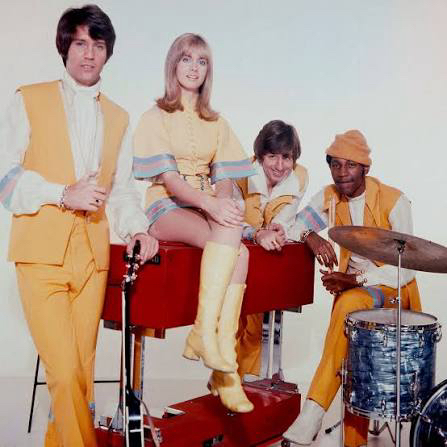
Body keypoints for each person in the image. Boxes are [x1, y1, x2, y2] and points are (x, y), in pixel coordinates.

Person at [0, 5, 158, 446]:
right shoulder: (28, 99)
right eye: (81, 43)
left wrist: (137, 229)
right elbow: (5, 181)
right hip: (40, 255)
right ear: (65, 48)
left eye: (98, 45)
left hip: (92, 260)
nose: (89, 54)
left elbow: (121, 191)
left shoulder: (119, 117)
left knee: (82, 377)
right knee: (66, 372)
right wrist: (62, 193)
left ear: (108, 53)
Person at [133, 33, 256, 413]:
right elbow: (170, 181)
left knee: (241, 252)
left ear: (208, 70)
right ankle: (217, 356)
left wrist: (223, 203)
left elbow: (225, 177)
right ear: (173, 64)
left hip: (205, 205)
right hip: (165, 207)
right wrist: (211, 205)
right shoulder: (154, 116)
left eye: (201, 61)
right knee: (232, 239)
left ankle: (218, 356)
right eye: (186, 59)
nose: (193, 68)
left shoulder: (217, 122)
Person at [283, 130, 421, 447]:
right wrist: (311, 237)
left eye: (351, 165)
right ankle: (351, 438)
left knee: (348, 304)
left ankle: (313, 412)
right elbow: (292, 225)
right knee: (352, 352)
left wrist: (355, 280)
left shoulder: (394, 201)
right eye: (335, 164)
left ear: (366, 168)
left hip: (392, 290)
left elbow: (407, 268)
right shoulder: (330, 197)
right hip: (354, 293)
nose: (342, 173)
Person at [233, 119, 308, 378]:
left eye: (286, 157)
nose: (279, 165)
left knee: (257, 319)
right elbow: (227, 221)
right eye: (272, 156)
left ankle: (247, 379)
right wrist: (256, 233)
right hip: (234, 250)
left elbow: (287, 215)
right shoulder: (239, 175)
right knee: (233, 318)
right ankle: (228, 376)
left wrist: (279, 228)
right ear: (260, 155)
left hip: (265, 256)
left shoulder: (299, 177)